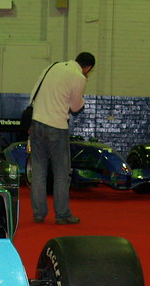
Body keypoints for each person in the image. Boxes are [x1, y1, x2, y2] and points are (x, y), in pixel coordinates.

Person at [28, 52, 95, 225]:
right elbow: (75, 106)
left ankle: (39, 213)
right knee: (61, 173)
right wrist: (83, 101)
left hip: (36, 124)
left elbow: (33, 93)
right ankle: (62, 214)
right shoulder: (78, 77)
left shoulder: (52, 66)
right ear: (88, 68)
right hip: (56, 127)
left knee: (38, 171)